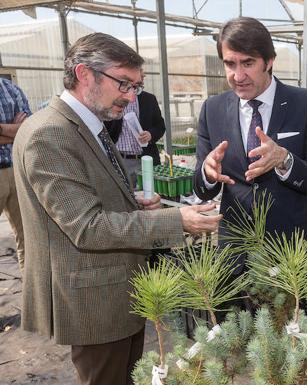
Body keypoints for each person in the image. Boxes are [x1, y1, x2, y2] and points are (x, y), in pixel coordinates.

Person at [12, 33, 222, 385]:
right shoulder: (49, 134)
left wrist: (135, 204)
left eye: (136, 86)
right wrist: (176, 220)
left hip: (114, 289)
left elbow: (86, 197)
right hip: (93, 300)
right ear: (84, 74)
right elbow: (87, 227)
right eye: (123, 83)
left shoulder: (86, 125)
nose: (130, 96)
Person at [193, 17, 307, 261]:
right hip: (237, 252)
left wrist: (284, 159)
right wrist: (207, 172)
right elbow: (201, 190)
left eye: (248, 63)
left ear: (269, 61)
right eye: (230, 64)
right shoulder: (212, 110)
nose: (238, 75)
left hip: (294, 250)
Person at [105, 73, 166, 187]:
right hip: (120, 160)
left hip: (146, 160)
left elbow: (160, 126)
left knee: (149, 196)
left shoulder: (149, 99)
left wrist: (151, 134)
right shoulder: (113, 99)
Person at [0, 78, 30, 270]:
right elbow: (20, 130)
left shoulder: (11, 88)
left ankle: (30, 293)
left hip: (17, 169)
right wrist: (14, 130)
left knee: (27, 235)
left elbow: (28, 128)